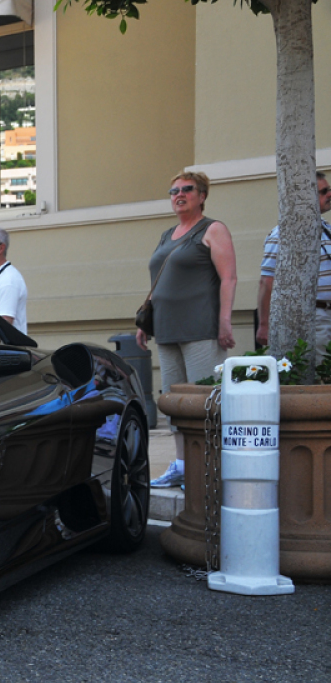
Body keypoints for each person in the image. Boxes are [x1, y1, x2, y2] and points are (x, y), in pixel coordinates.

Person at [139, 170, 238, 488]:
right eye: (173, 191)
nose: (179, 195)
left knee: (205, 402)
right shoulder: (168, 234)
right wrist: (146, 320)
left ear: (202, 195)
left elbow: (229, 278)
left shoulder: (213, 229)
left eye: (187, 189)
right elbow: (159, 281)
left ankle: (210, 469)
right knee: (175, 404)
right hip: (167, 330)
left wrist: (224, 320)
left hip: (200, 330)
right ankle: (182, 466)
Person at [256, 171, 331, 359]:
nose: (329, 195)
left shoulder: (327, 229)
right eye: (323, 192)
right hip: (314, 318)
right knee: (322, 378)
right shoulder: (282, 233)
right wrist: (264, 324)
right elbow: (267, 281)